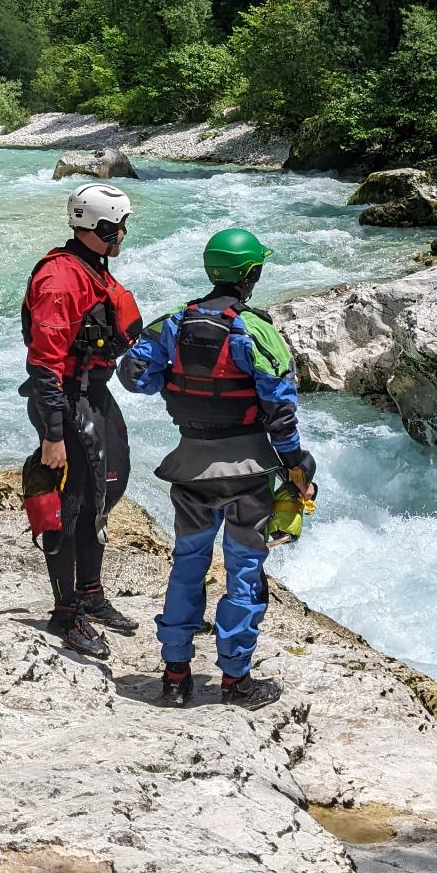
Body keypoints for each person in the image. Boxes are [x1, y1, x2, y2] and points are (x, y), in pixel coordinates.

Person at [118, 226, 315, 710]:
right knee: (244, 570)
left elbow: (133, 375)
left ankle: (175, 675)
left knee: (188, 565)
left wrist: (173, 378)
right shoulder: (258, 330)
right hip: (248, 473)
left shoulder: (171, 324)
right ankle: (235, 681)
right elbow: (281, 410)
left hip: (189, 466)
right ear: (253, 274)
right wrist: (296, 465)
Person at [21, 182, 143, 660]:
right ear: (102, 228)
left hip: (94, 392)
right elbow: (43, 364)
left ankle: (91, 592)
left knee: (107, 487)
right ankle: (65, 612)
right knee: (71, 504)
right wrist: (53, 436)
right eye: (120, 227)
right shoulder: (60, 279)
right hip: (63, 400)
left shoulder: (93, 268)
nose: (124, 234)